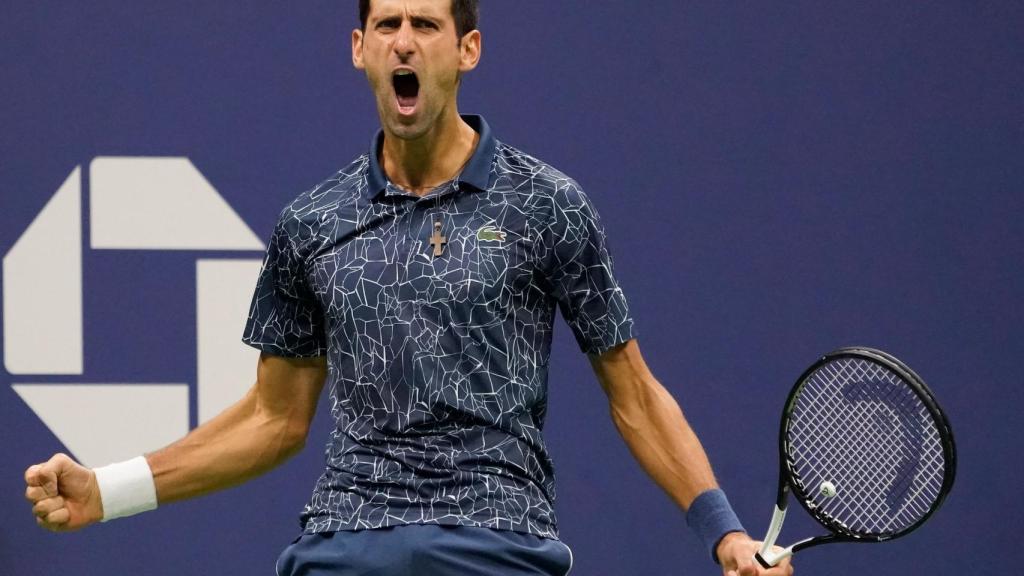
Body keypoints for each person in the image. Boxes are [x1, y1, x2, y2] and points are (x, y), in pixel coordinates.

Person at [23, 1, 794, 575]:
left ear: (467, 50)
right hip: (341, 547)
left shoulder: (547, 205)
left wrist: (725, 533)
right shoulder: (312, 222)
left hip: (496, 544)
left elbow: (635, 395)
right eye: (387, 23)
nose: (404, 41)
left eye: (425, 24)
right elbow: (272, 418)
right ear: (359, 50)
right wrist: (108, 490)